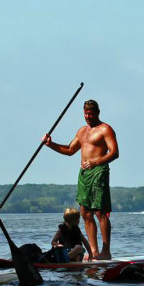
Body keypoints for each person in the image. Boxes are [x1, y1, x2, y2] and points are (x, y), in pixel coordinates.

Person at [42, 99, 119, 260]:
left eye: (91, 113)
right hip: (84, 174)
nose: (88, 116)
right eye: (86, 113)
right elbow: (69, 150)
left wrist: (95, 162)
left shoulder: (105, 129)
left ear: (97, 113)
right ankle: (94, 251)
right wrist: (50, 144)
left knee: (100, 212)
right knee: (85, 212)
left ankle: (106, 251)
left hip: (99, 172)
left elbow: (114, 152)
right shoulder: (82, 131)